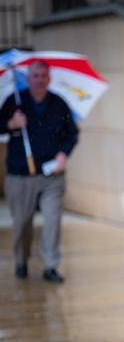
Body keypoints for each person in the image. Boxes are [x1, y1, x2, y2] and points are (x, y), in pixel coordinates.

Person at [0, 60, 79, 283]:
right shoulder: (15, 102)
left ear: (49, 78)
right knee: (22, 222)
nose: (40, 79)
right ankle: (21, 261)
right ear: (28, 78)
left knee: (53, 219)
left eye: (44, 75)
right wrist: (11, 124)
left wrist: (63, 155)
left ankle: (50, 265)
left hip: (51, 175)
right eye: (35, 75)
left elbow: (71, 134)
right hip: (20, 174)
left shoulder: (58, 104)